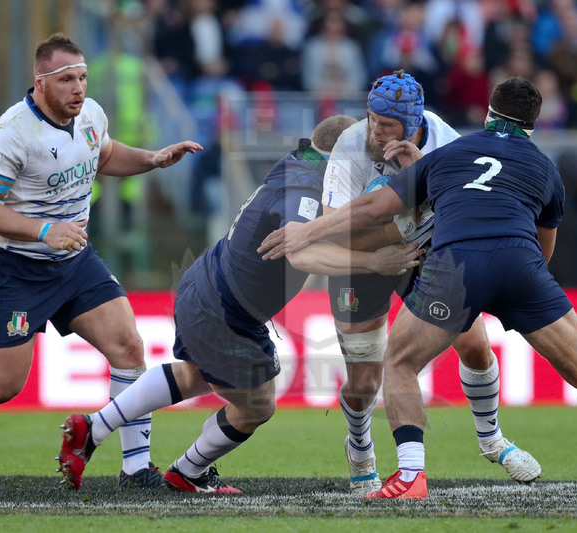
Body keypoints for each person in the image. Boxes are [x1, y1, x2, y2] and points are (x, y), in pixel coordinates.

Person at [258, 77, 577, 502]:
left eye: (388, 121)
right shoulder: (547, 169)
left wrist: (307, 230)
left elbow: (374, 205)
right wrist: (512, 286)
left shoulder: (454, 147)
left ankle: (415, 472)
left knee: (400, 362)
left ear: (487, 113)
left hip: (452, 264)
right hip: (512, 265)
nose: (377, 128)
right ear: (532, 125)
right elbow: (544, 248)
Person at [55, 115, 424, 492]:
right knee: (258, 404)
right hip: (226, 309)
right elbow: (302, 254)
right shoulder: (308, 187)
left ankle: (94, 429)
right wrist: (374, 262)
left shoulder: (300, 161)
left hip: (207, 285)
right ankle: (187, 471)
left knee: (193, 375)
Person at [0, 33, 204, 489]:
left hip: (74, 262)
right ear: (41, 83)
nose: (79, 88)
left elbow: (104, 153)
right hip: (16, 267)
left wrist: (152, 159)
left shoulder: (90, 115)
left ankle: (135, 469)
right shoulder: (11, 134)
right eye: (67, 79)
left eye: (83, 77)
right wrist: (45, 230)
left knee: (129, 348)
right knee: (0, 387)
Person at [320, 70, 540, 495]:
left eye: (386, 124)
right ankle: (361, 447)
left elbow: (466, 208)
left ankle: (491, 438)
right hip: (359, 262)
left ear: (414, 121)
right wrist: (379, 241)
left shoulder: (446, 141)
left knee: (475, 345)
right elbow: (331, 228)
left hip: (422, 252)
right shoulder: (351, 145)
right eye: (371, 118)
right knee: (364, 382)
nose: (374, 130)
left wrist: (420, 173)